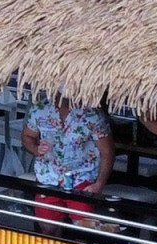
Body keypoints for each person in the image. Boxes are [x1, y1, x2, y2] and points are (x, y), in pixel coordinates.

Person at [21, 95, 113, 231]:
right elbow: (27, 136)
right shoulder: (40, 109)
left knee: (84, 231)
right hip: (48, 177)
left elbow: (108, 152)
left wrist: (99, 184)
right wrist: (36, 148)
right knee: (48, 230)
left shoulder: (92, 114)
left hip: (81, 180)